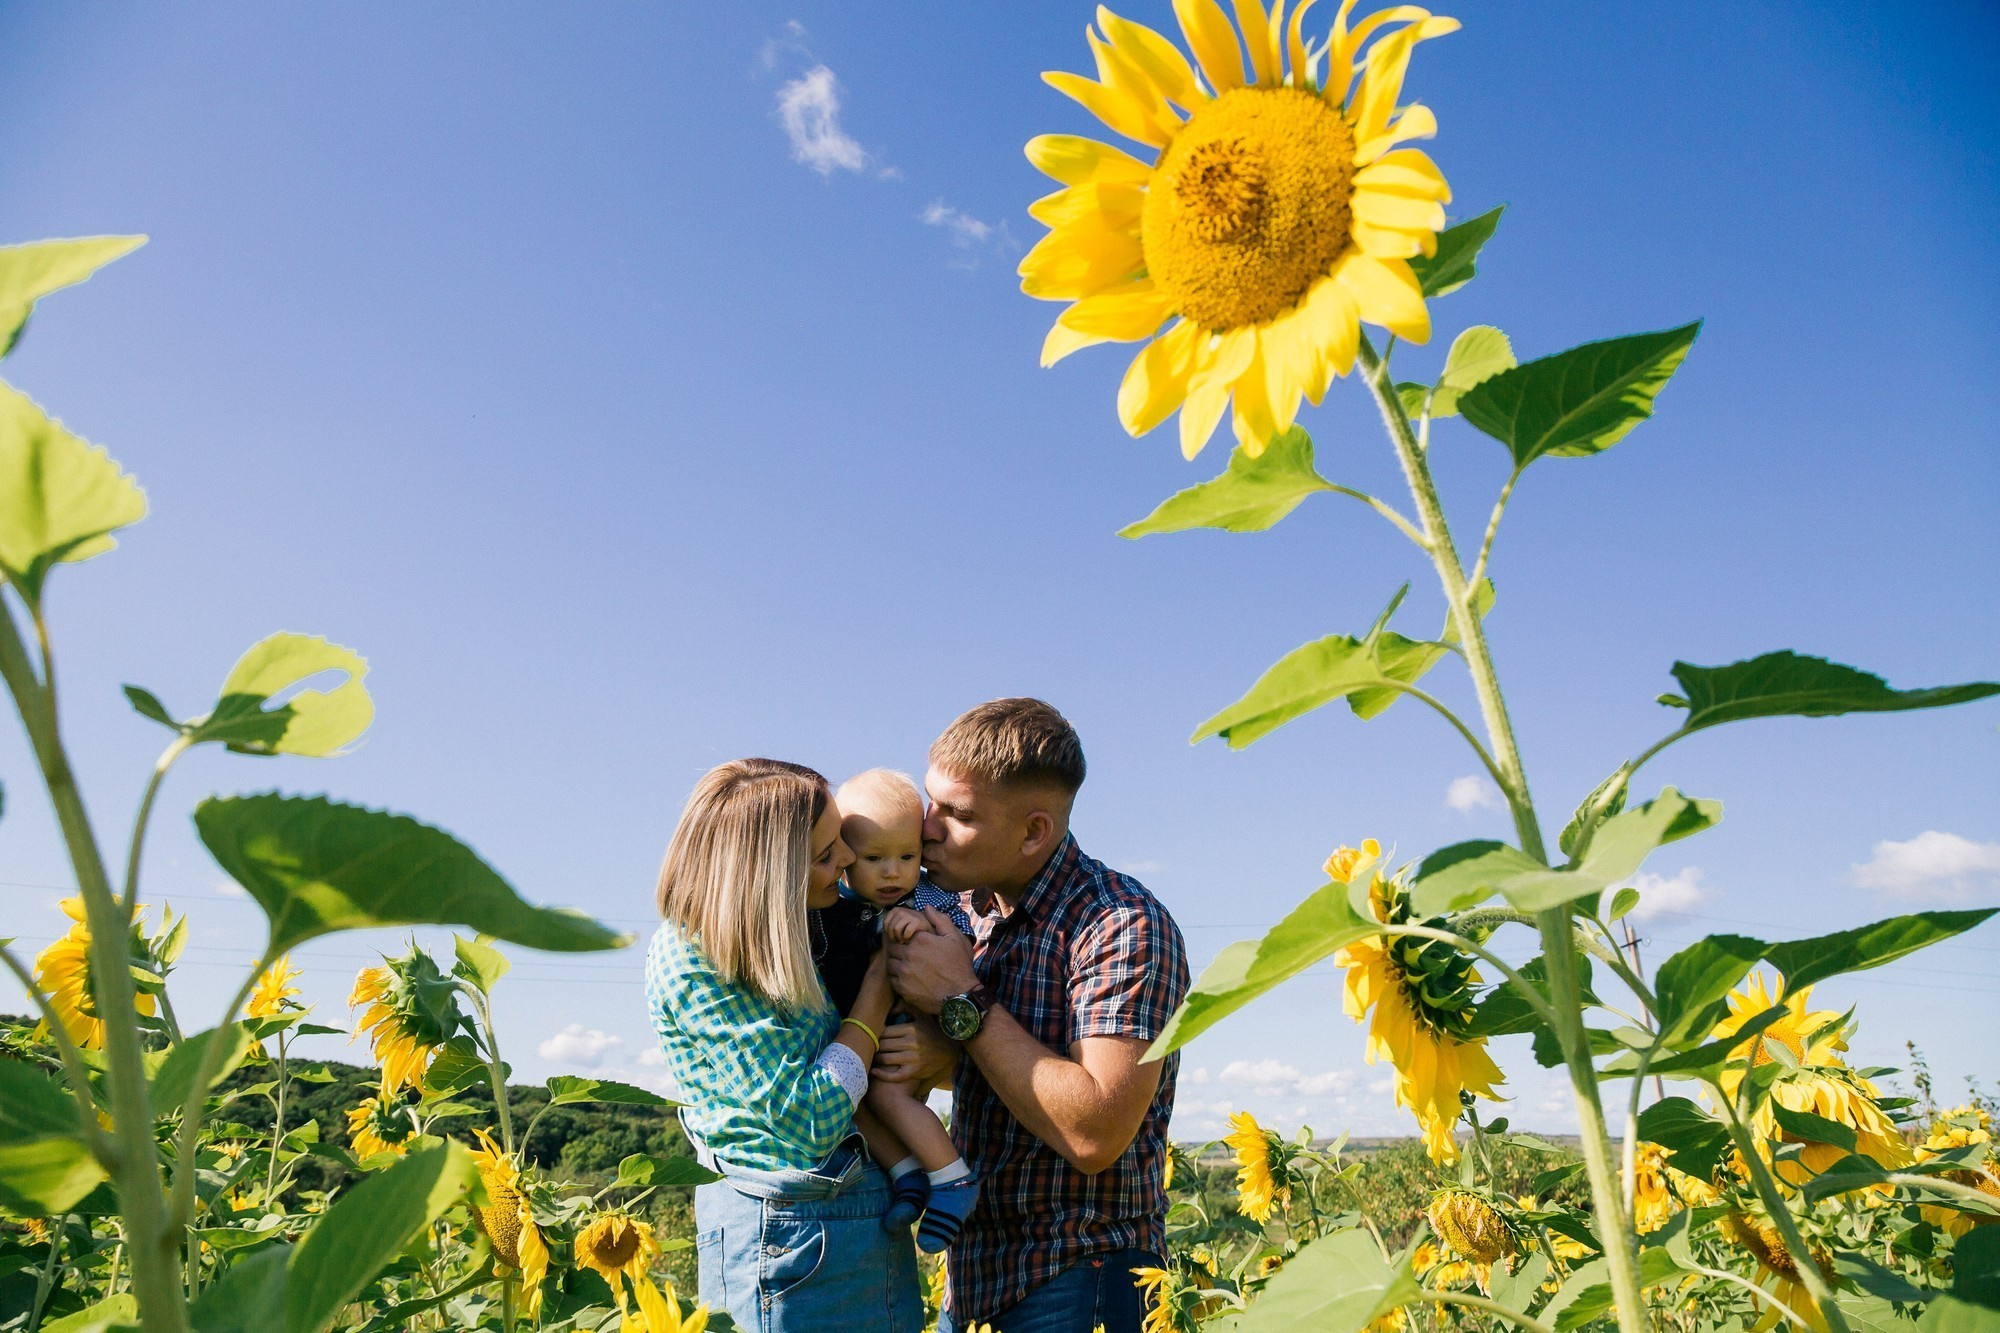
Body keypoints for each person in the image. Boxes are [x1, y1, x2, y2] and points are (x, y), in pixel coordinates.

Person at [880, 699, 1190, 1333]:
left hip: (1078, 1275)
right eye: (931, 803)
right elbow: (1001, 1067)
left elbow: (1095, 1132)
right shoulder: (966, 912)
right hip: (976, 1278)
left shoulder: (1121, 925)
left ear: (1033, 832)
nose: (928, 829)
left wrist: (961, 1002)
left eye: (959, 815)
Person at [644, 758, 923, 1332]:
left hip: (861, 1211)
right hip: (783, 1234)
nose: (845, 860)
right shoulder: (693, 956)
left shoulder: (805, 925)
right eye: (825, 855)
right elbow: (811, 1116)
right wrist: (875, 990)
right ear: (766, 872)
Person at [811, 768, 980, 1254]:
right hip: (866, 1036)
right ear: (844, 857)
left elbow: (961, 945)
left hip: (911, 1025)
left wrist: (921, 927)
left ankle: (951, 1177)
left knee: (887, 1097)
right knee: (853, 1104)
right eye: (874, 858)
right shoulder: (832, 905)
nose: (893, 872)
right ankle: (907, 1172)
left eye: (907, 856)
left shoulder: (927, 898)